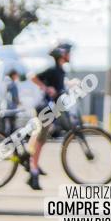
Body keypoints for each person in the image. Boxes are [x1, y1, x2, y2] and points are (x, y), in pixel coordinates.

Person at [26, 42, 72, 190]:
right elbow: (32, 76)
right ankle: (33, 171)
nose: (70, 55)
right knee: (41, 138)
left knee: (40, 135)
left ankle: (29, 158)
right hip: (45, 108)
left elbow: (60, 87)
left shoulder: (60, 70)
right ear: (62, 55)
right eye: (68, 53)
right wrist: (46, 88)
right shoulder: (53, 69)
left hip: (51, 109)